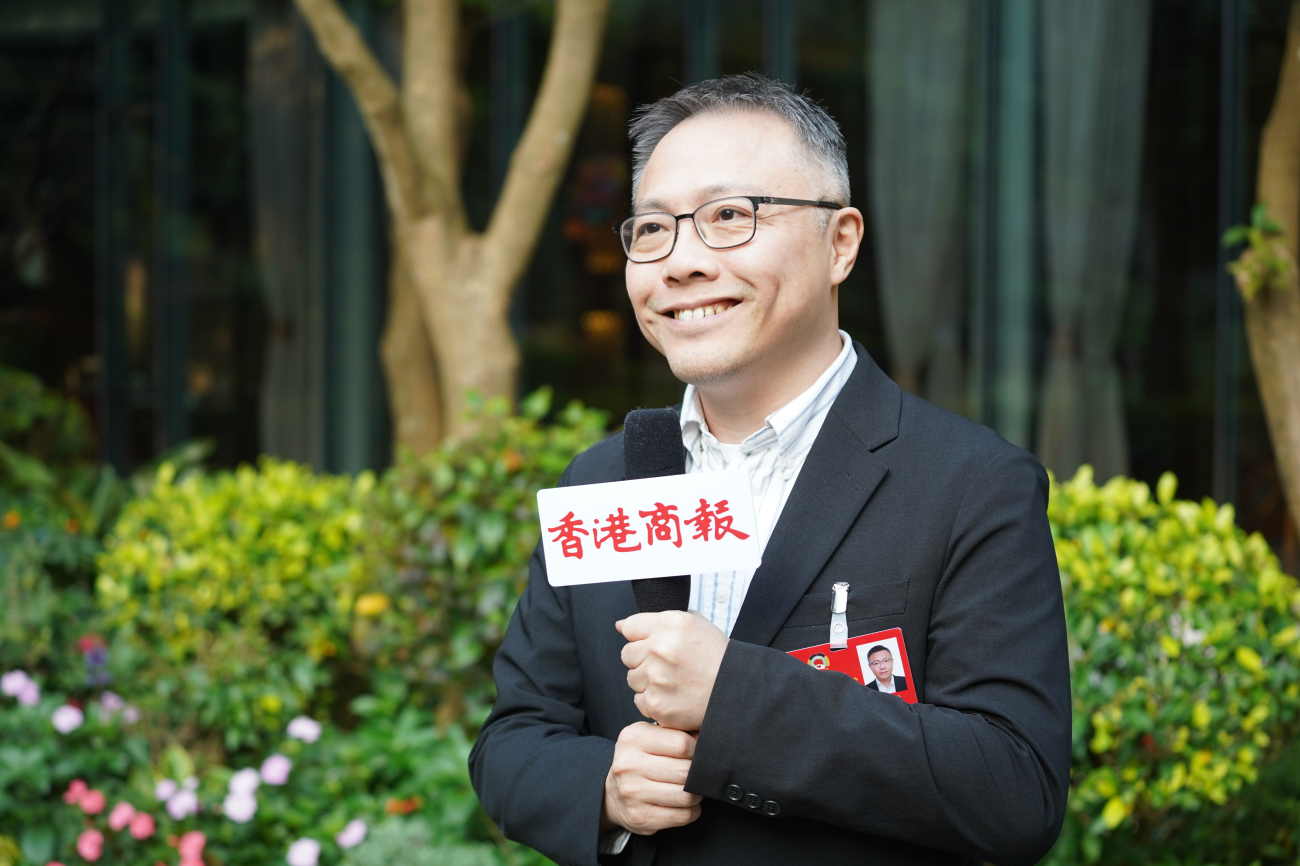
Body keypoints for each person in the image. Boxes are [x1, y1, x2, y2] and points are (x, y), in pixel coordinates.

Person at [469, 73, 1071, 866]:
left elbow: (1013, 789)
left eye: (729, 216)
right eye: (652, 229)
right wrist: (604, 788)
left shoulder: (970, 484)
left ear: (840, 243)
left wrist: (733, 697)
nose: (681, 262)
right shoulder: (605, 484)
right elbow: (513, 739)